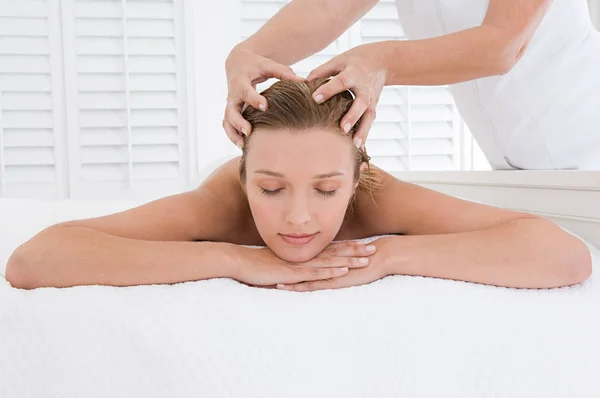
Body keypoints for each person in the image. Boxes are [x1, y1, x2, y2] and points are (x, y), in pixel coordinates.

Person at [5, 80, 592, 291]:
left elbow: (565, 254)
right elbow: (35, 259)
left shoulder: (377, 195)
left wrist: (388, 254)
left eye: (327, 189)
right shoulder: (220, 203)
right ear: (243, 178)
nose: (299, 220)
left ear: (357, 177)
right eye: (271, 189)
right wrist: (235, 259)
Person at [223, 0, 600, 170]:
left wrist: (383, 62)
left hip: (589, 143)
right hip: (522, 171)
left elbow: (503, 44)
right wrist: (247, 53)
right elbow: (326, 8)